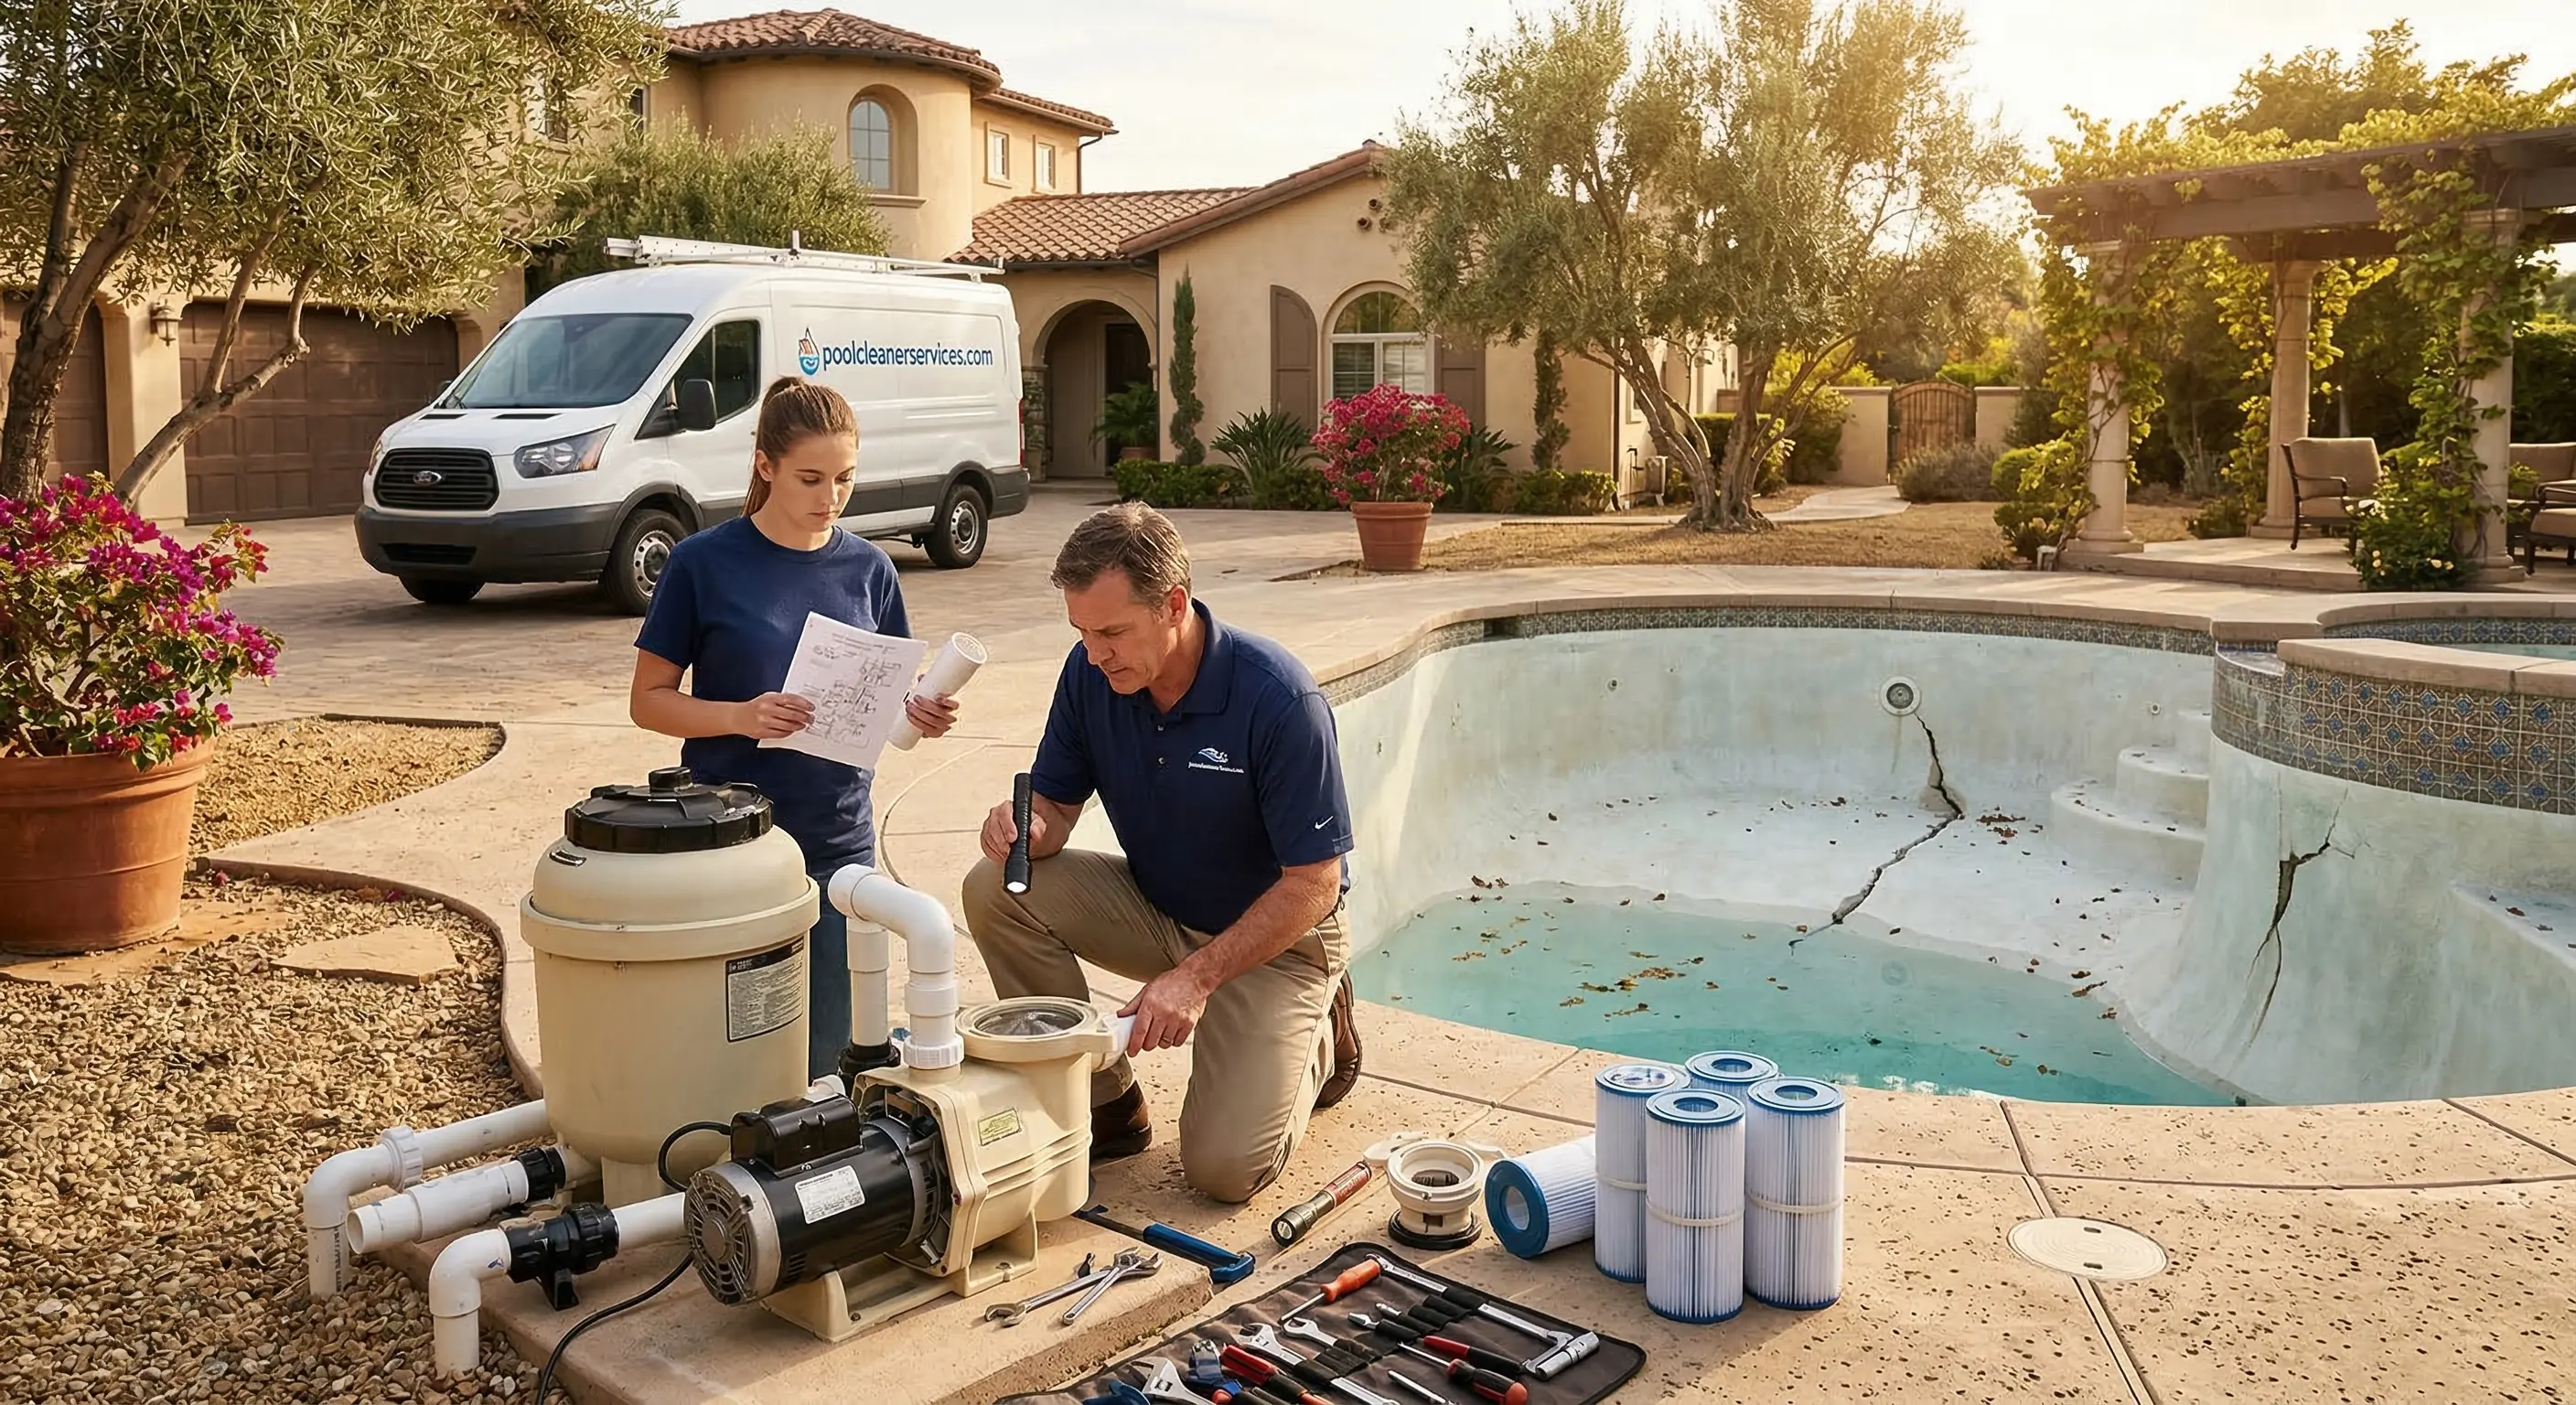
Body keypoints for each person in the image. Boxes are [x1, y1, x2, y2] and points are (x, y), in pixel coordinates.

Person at [963, 504, 1361, 1205]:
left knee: (1224, 1173)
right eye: (1082, 632)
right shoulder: (1092, 674)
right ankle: (1106, 1099)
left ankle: (1322, 1028)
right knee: (995, 888)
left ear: (1173, 604)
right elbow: (1055, 807)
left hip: (1280, 941)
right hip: (1160, 907)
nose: (1094, 652)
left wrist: (1198, 978)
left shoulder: (1277, 698)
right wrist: (1028, 827)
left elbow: (1315, 884)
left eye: (1112, 631)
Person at [630, 376, 957, 1079]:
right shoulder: (701, 564)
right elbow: (648, 701)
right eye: (811, 478)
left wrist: (921, 713)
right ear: (764, 465)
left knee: (833, 1055)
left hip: (839, 840)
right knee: (735, 1051)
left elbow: (889, 697)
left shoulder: (870, 569)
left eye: (844, 479)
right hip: (732, 846)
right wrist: (740, 716)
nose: (829, 497)